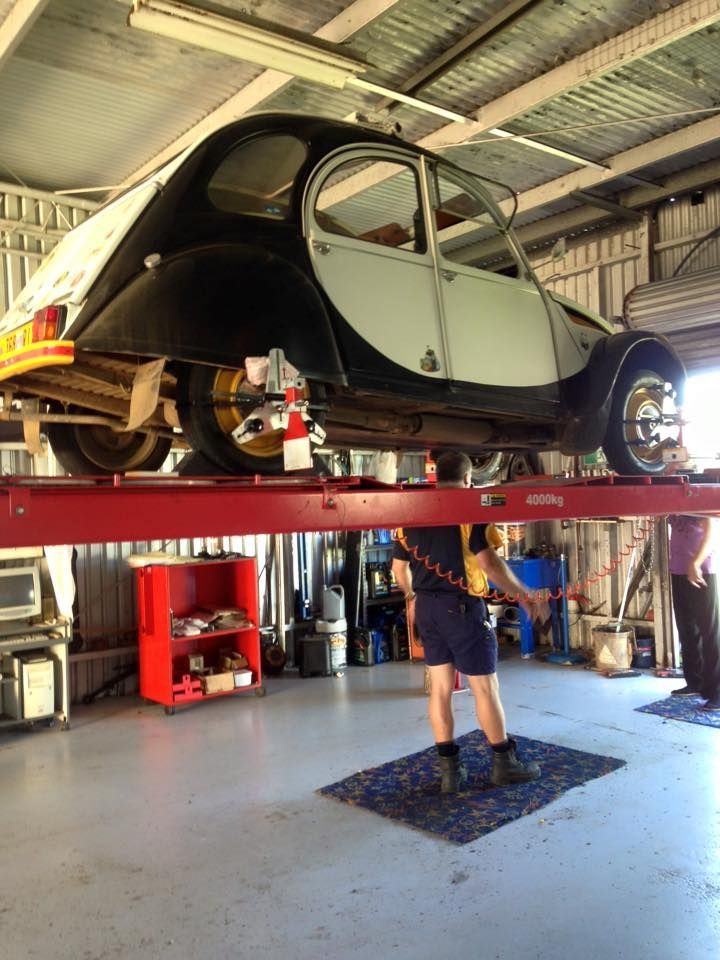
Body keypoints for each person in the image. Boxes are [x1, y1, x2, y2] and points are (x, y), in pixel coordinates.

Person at [392, 451, 550, 794]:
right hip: (462, 609)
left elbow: (397, 569)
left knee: (440, 689)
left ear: (436, 477)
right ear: (468, 480)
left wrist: (413, 598)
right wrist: (526, 594)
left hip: (428, 610)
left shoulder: (410, 512)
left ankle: (450, 772)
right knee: (484, 688)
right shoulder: (471, 508)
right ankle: (504, 764)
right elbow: (490, 565)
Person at [668, 514, 720, 711]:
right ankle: (695, 681)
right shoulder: (673, 498)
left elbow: (712, 530)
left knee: (710, 631)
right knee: (686, 628)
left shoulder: (697, 490)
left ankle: (717, 691)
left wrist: (696, 563)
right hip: (679, 570)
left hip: (702, 570)